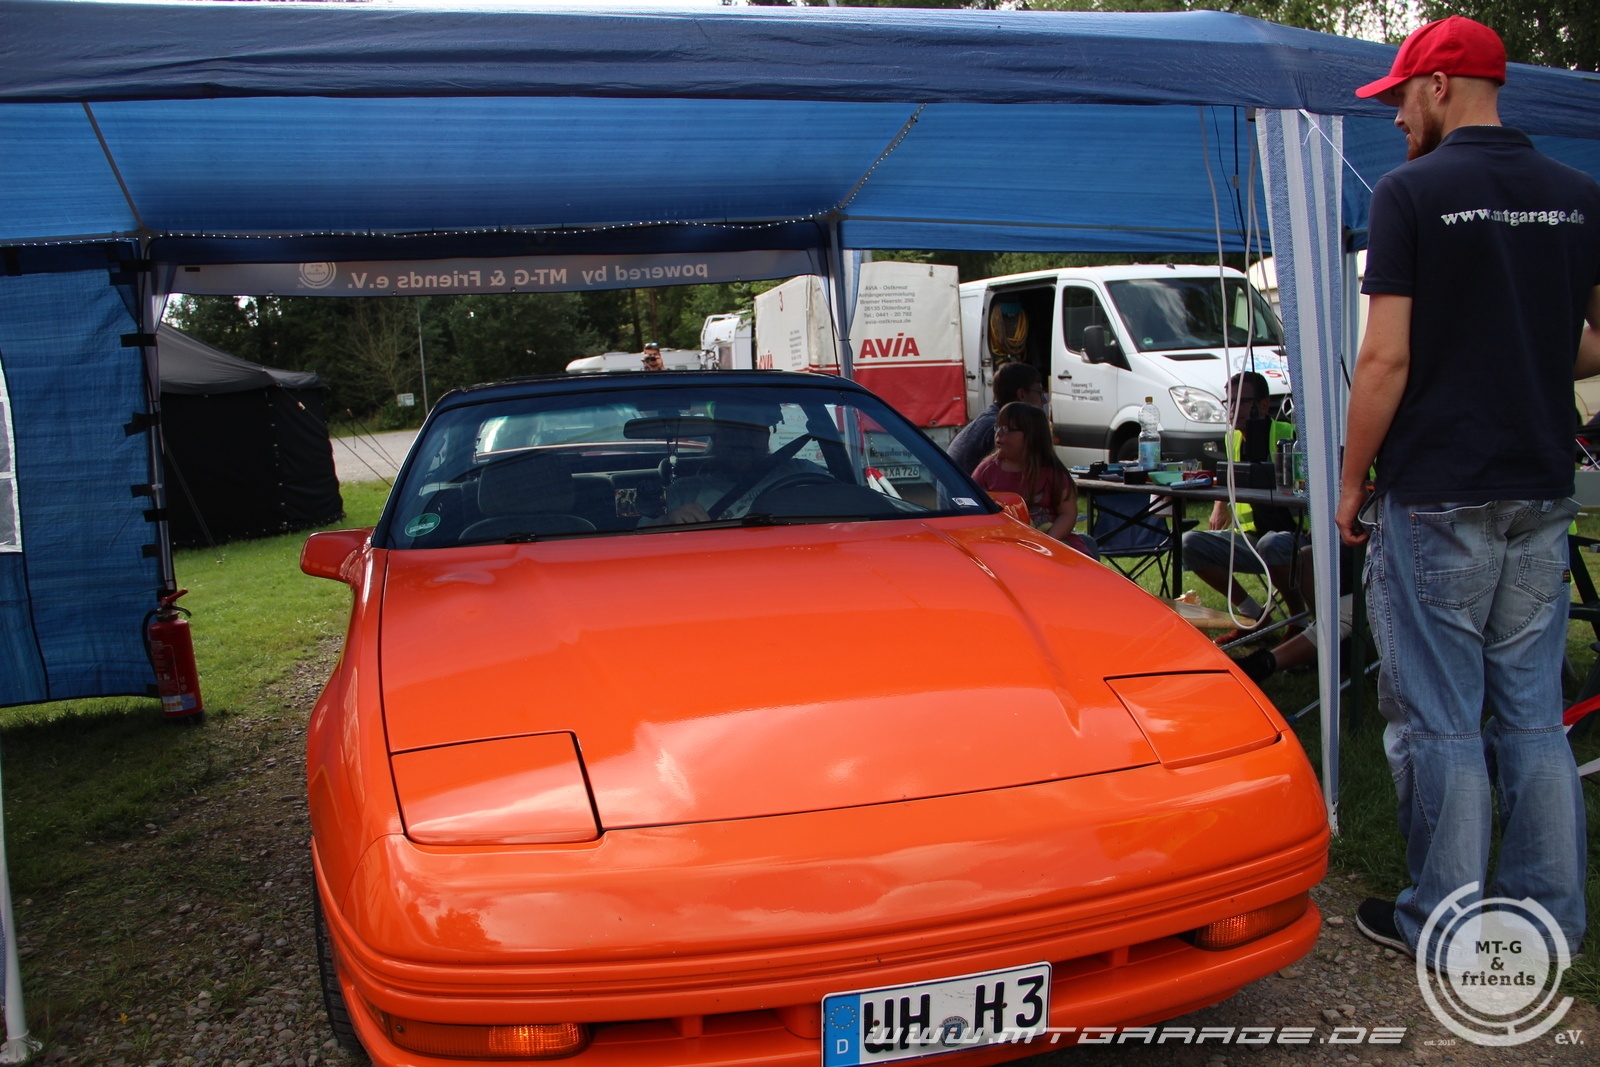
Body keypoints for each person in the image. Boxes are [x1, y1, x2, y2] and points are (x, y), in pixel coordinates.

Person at [1337, 16, 1600, 962]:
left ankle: (1440, 921)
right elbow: (1596, 341)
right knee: (1531, 716)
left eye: (1402, 96)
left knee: (1441, 719)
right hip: (1539, 486)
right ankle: (1548, 923)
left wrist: (1349, 479)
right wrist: (1521, 342)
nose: (1397, 117)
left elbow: (1384, 358)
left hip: (1439, 489)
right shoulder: (1579, 194)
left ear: (1441, 84)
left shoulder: (1410, 194)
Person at [1181, 371, 1306, 634]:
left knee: (1272, 544)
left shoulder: (1292, 435)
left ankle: (1299, 622)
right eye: (1229, 402)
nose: (1232, 409)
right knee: (1189, 543)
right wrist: (1219, 503)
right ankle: (1253, 615)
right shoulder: (1233, 438)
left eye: (1241, 402)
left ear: (1263, 404)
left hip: (1298, 540)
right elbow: (1230, 477)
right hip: (1251, 540)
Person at [648, 401, 827, 525]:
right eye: (732, 431)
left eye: (751, 431)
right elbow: (642, 532)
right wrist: (668, 521)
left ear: (766, 435)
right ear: (715, 436)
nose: (742, 440)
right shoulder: (684, 492)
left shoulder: (801, 471)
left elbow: (841, 501)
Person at [973, 402, 1099, 559]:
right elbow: (970, 506)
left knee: (1079, 562)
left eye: (1007, 429)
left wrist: (1048, 542)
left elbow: (1067, 514)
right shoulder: (987, 470)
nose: (998, 433)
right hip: (1004, 544)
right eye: (997, 427)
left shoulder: (1052, 471)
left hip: (1051, 540)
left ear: (1032, 435)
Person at [946, 361, 1046, 474]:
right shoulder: (1002, 431)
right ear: (1021, 394)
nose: (1044, 400)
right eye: (1040, 393)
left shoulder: (989, 421)